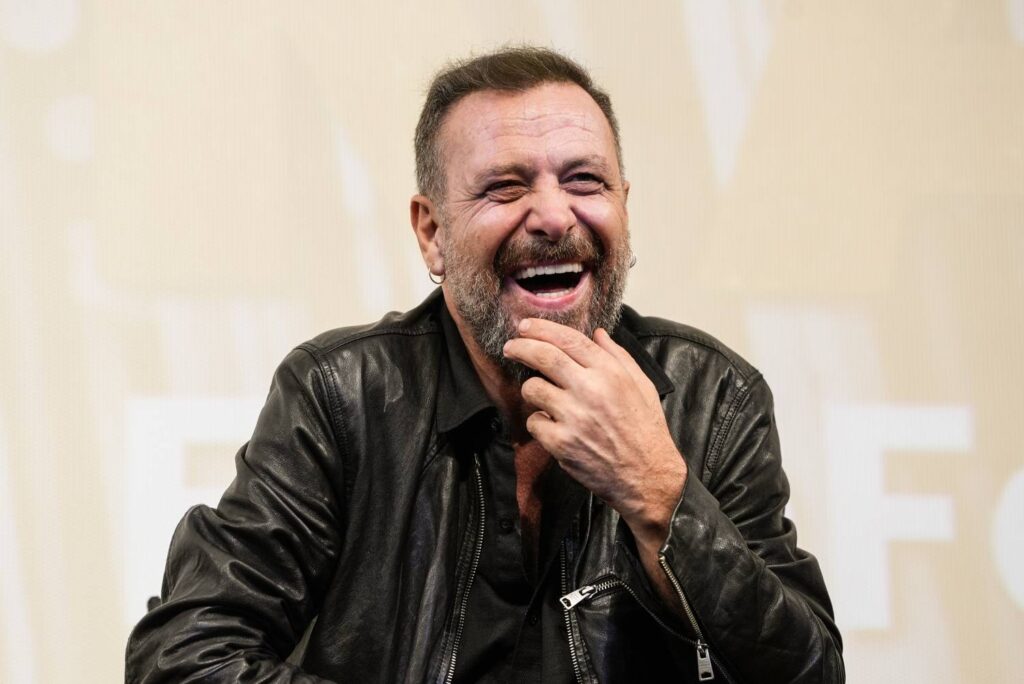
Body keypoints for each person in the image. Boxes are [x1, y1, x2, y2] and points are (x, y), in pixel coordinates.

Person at [125, 46, 844, 683]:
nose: (554, 216)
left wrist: (660, 494)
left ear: (625, 209)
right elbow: (183, 656)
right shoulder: (343, 395)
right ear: (432, 233)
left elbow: (808, 671)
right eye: (505, 187)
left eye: (585, 181)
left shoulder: (713, 397)